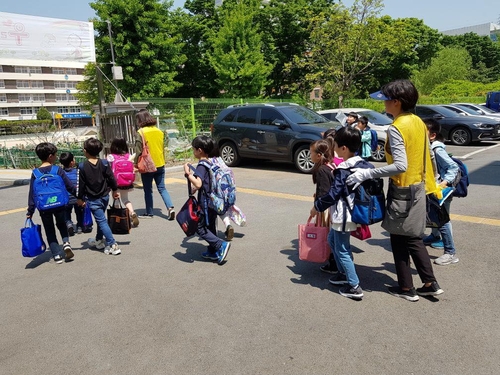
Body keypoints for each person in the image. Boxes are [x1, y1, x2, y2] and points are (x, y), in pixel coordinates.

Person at [347, 79, 444, 302]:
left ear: (397, 102)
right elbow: (429, 154)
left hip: (403, 189)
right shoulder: (418, 122)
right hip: (419, 186)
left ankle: (409, 288)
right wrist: (433, 178)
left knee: (404, 238)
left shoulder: (398, 127)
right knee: (409, 236)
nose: (384, 104)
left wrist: (367, 173)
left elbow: (400, 165)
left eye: (386, 100)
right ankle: (424, 284)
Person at [311, 126, 372, 301]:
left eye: (336, 145)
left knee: (342, 249)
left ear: (343, 148)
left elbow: (333, 194)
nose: (334, 148)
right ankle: (342, 272)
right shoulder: (363, 164)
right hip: (353, 212)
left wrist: (317, 206)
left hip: (343, 214)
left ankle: (354, 285)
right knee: (333, 240)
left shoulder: (344, 169)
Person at [183, 135, 230, 265]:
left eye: (193, 149)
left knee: (199, 226)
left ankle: (220, 245)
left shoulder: (201, 165)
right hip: (212, 201)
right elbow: (204, 183)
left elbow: (198, 183)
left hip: (205, 202)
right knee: (210, 225)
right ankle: (212, 251)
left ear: (199, 150)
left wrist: (188, 174)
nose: (193, 152)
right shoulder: (210, 162)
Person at [26, 142, 75, 264]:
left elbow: (32, 193)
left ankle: (56, 255)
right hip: (60, 204)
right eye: (55, 155)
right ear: (50, 156)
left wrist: (30, 211)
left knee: (49, 229)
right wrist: (80, 195)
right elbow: (69, 186)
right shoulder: (57, 170)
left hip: (44, 206)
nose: (56, 157)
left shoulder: (35, 173)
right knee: (61, 224)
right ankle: (66, 243)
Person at [422, 118, 460, 265]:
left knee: (443, 219)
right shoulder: (431, 147)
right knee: (437, 217)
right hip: (435, 189)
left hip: (441, 190)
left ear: (432, 135)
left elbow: (453, 167)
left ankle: (450, 252)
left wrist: (443, 183)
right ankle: (435, 236)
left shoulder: (436, 149)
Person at [77, 138, 122, 256]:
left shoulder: (82, 166)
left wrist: (79, 198)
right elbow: (111, 178)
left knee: (101, 220)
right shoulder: (104, 163)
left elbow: (81, 185)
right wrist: (115, 190)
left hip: (93, 199)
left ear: (85, 151)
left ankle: (112, 244)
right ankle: (99, 239)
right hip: (105, 196)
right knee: (100, 220)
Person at [134, 109, 175, 220]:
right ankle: (170, 207)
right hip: (160, 163)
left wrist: (135, 164)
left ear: (140, 120)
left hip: (147, 165)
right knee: (162, 188)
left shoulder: (141, 132)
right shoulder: (159, 131)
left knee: (148, 189)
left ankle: (149, 212)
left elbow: (138, 151)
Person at [309, 139, 338, 274]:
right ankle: (334, 262)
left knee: (328, 236)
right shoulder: (330, 165)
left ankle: (334, 263)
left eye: (311, 153)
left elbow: (324, 192)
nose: (310, 155)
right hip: (335, 206)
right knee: (333, 237)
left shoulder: (321, 169)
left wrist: (316, 207)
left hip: (327, 208)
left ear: (319, 155)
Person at [107, 137, 140, 228]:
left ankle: (118, 218)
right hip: (127, 182)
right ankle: (132, 212)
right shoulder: (128, 156)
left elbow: (108, 169)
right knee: (125, 199)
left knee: (116, 199)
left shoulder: (111, 157)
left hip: (116, 182)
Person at [59, 151, 84, 235]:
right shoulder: (77, 171)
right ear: (72, 162)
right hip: (77, 197)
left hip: (66, 197)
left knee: (66, 213)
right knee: (79, 212)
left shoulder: (61, 173)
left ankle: (69, 225)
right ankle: (79, 227)